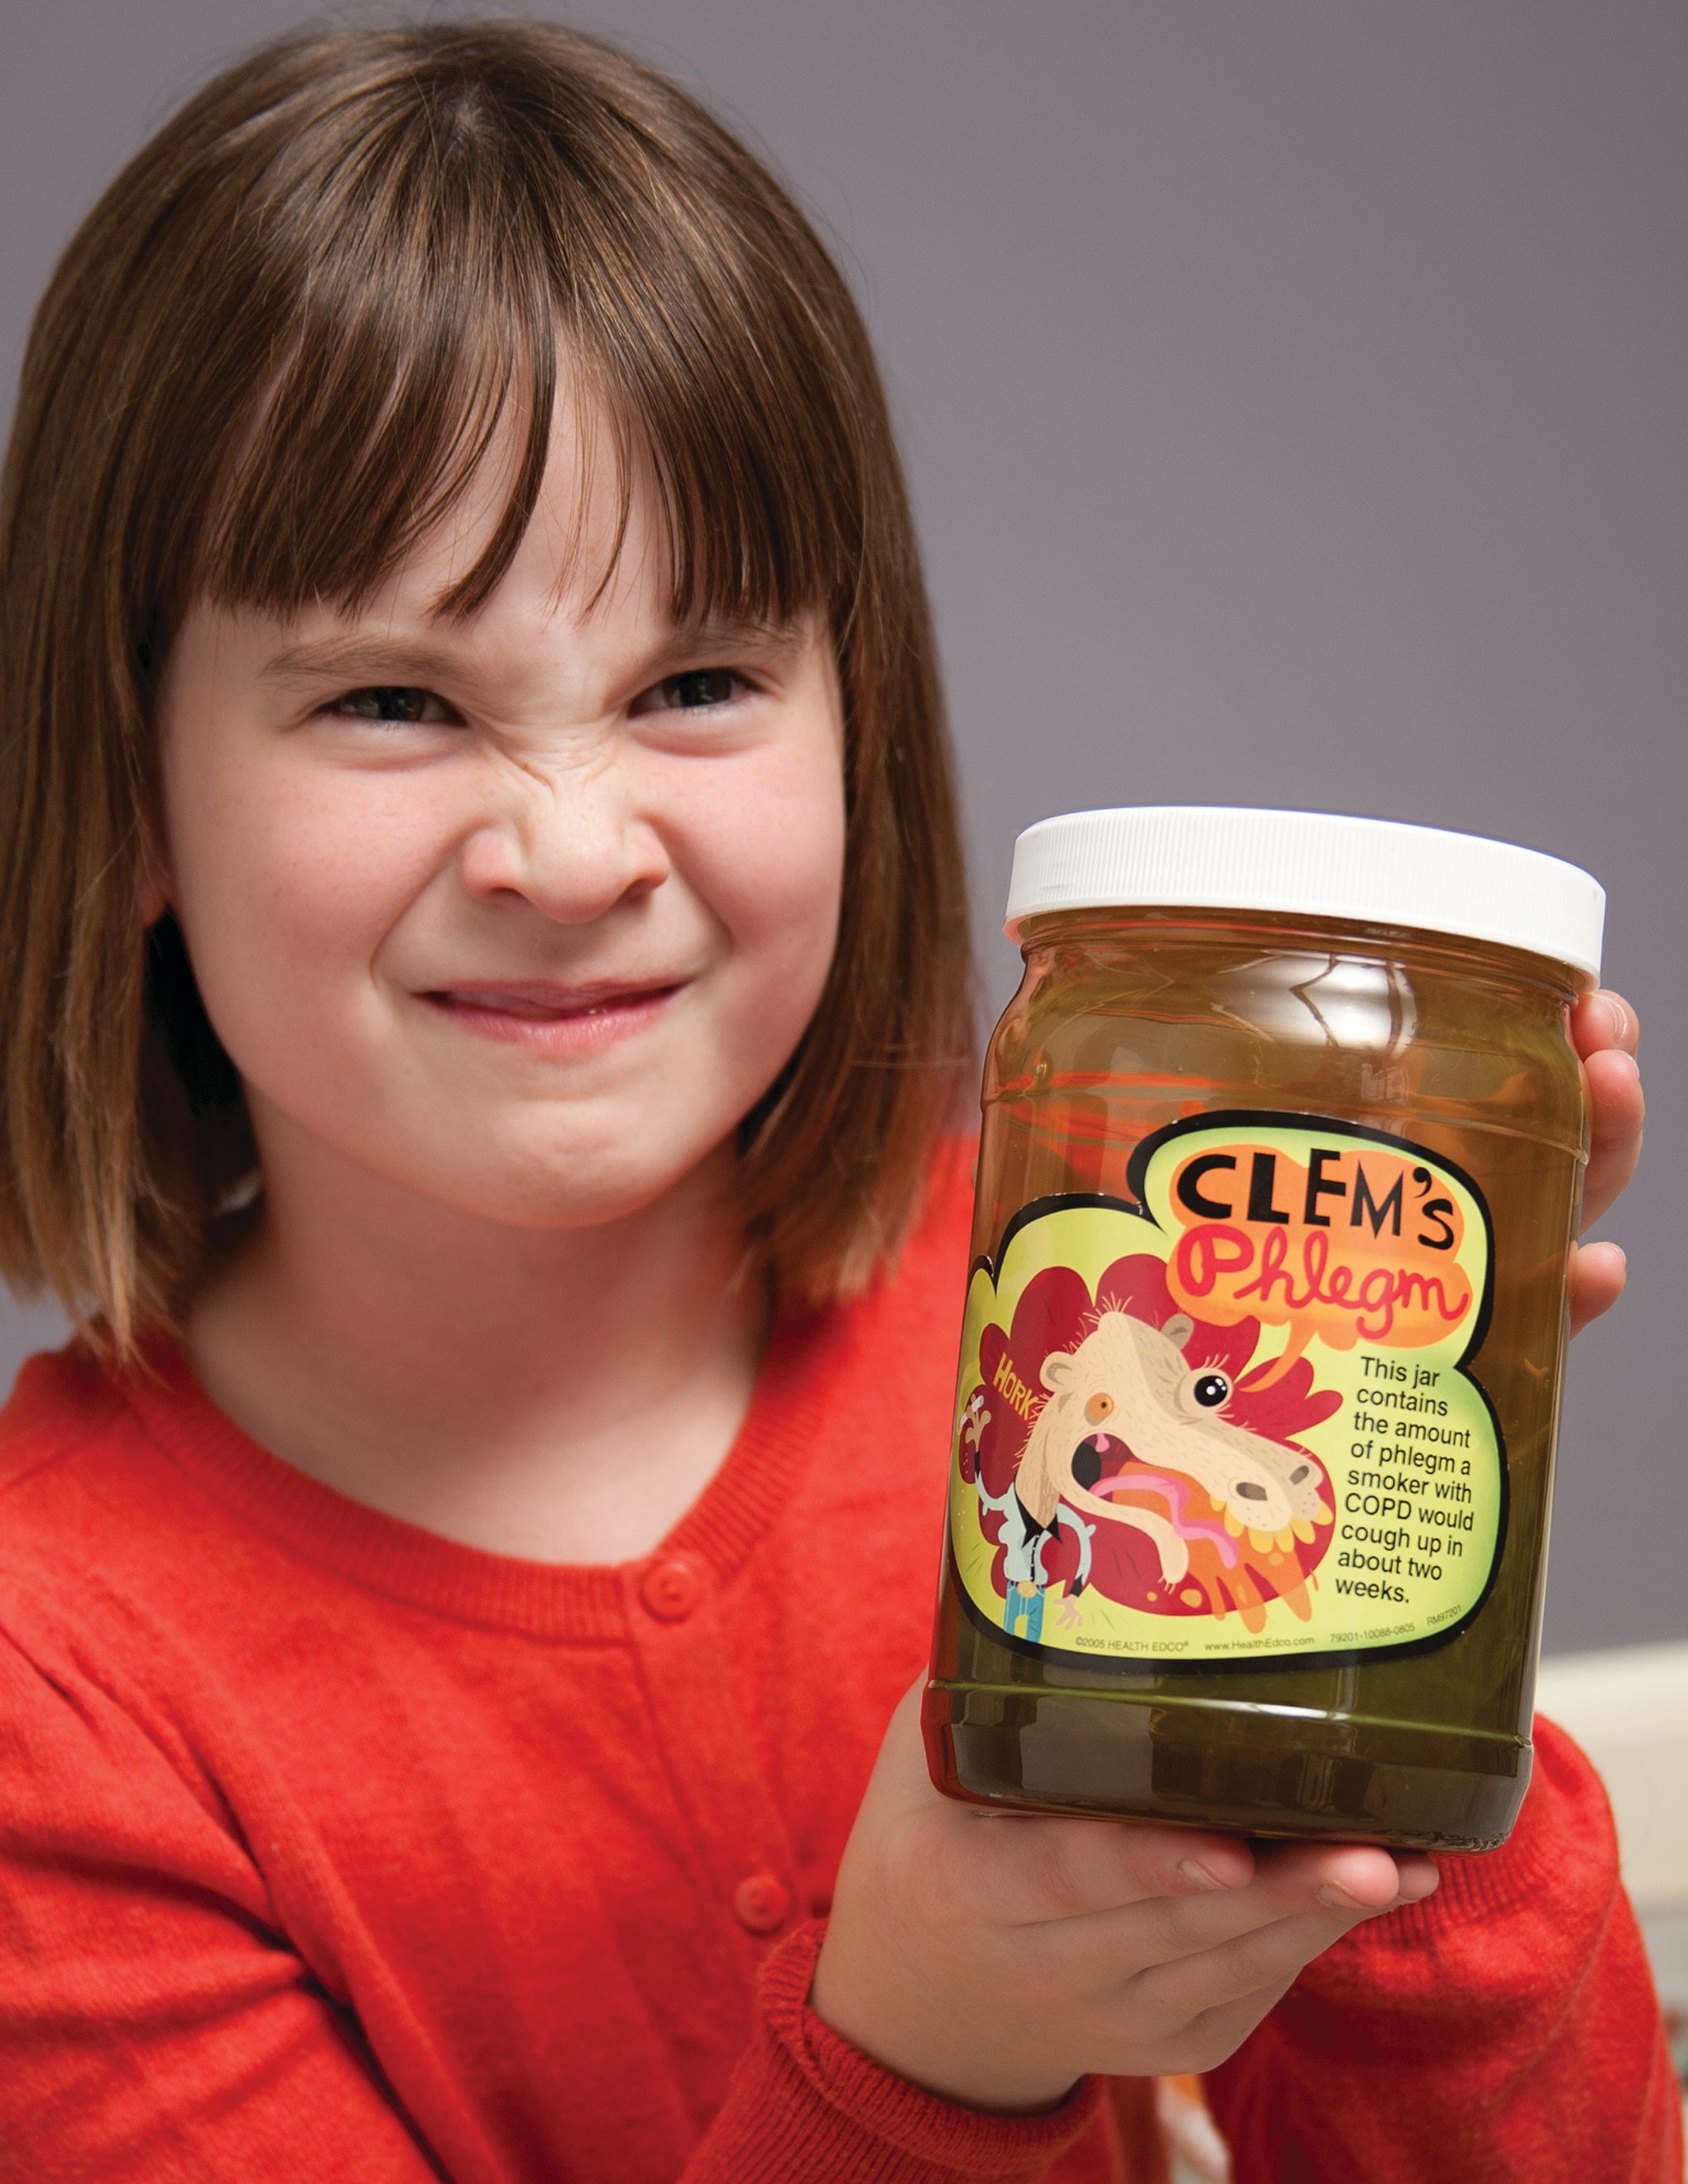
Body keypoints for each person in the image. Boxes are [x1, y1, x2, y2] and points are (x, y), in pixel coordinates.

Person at [0, 22, 1674, 2182]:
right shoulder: (56, 1697)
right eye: (393, 699)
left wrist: (1410, 1656)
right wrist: (917, 2053)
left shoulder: (1092, 1341)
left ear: (855, 730)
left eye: (696, 685)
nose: (577, 849)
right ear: (122, 790)